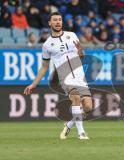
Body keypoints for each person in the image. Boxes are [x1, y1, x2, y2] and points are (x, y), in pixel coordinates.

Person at [23, 12, 93, 140]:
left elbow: (81, 55)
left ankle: (69, 124)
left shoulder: (72, 35)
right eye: (55, 20)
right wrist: (34, 83)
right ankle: (81, 133)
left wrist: (81, 52)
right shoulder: (47, 45)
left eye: (60, 20)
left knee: (88, 107)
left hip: (79, 74)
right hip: (65, 76)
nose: (58, 22)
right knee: (76, 97)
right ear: (50, 23)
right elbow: (44, 66)